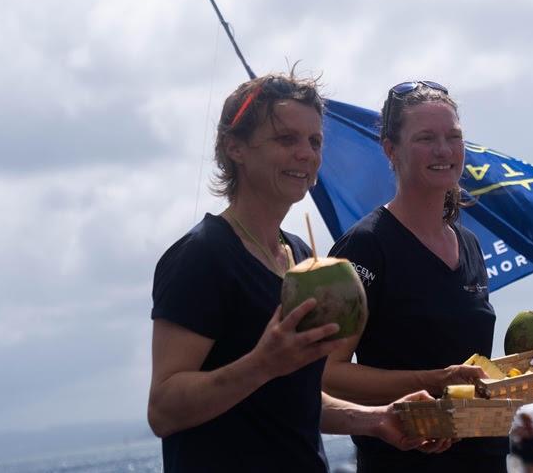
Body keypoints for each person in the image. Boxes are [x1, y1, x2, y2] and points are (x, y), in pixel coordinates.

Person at [147, 71, 435, 472]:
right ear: (235, 147)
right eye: (287, 139)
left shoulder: (299, 256)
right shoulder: (201, 256)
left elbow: (293, 395)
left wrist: (376, 418)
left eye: (315, 141)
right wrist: (262, 363)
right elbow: (163, 409)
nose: (307, 153)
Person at [323, 80, 509, 472]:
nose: (443, 150)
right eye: (426, 138)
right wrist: (435, 380)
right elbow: (325, 373)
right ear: (391, 149)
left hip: (485, 459)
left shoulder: (469, 243)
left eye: (453, 137)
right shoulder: (364, 247)